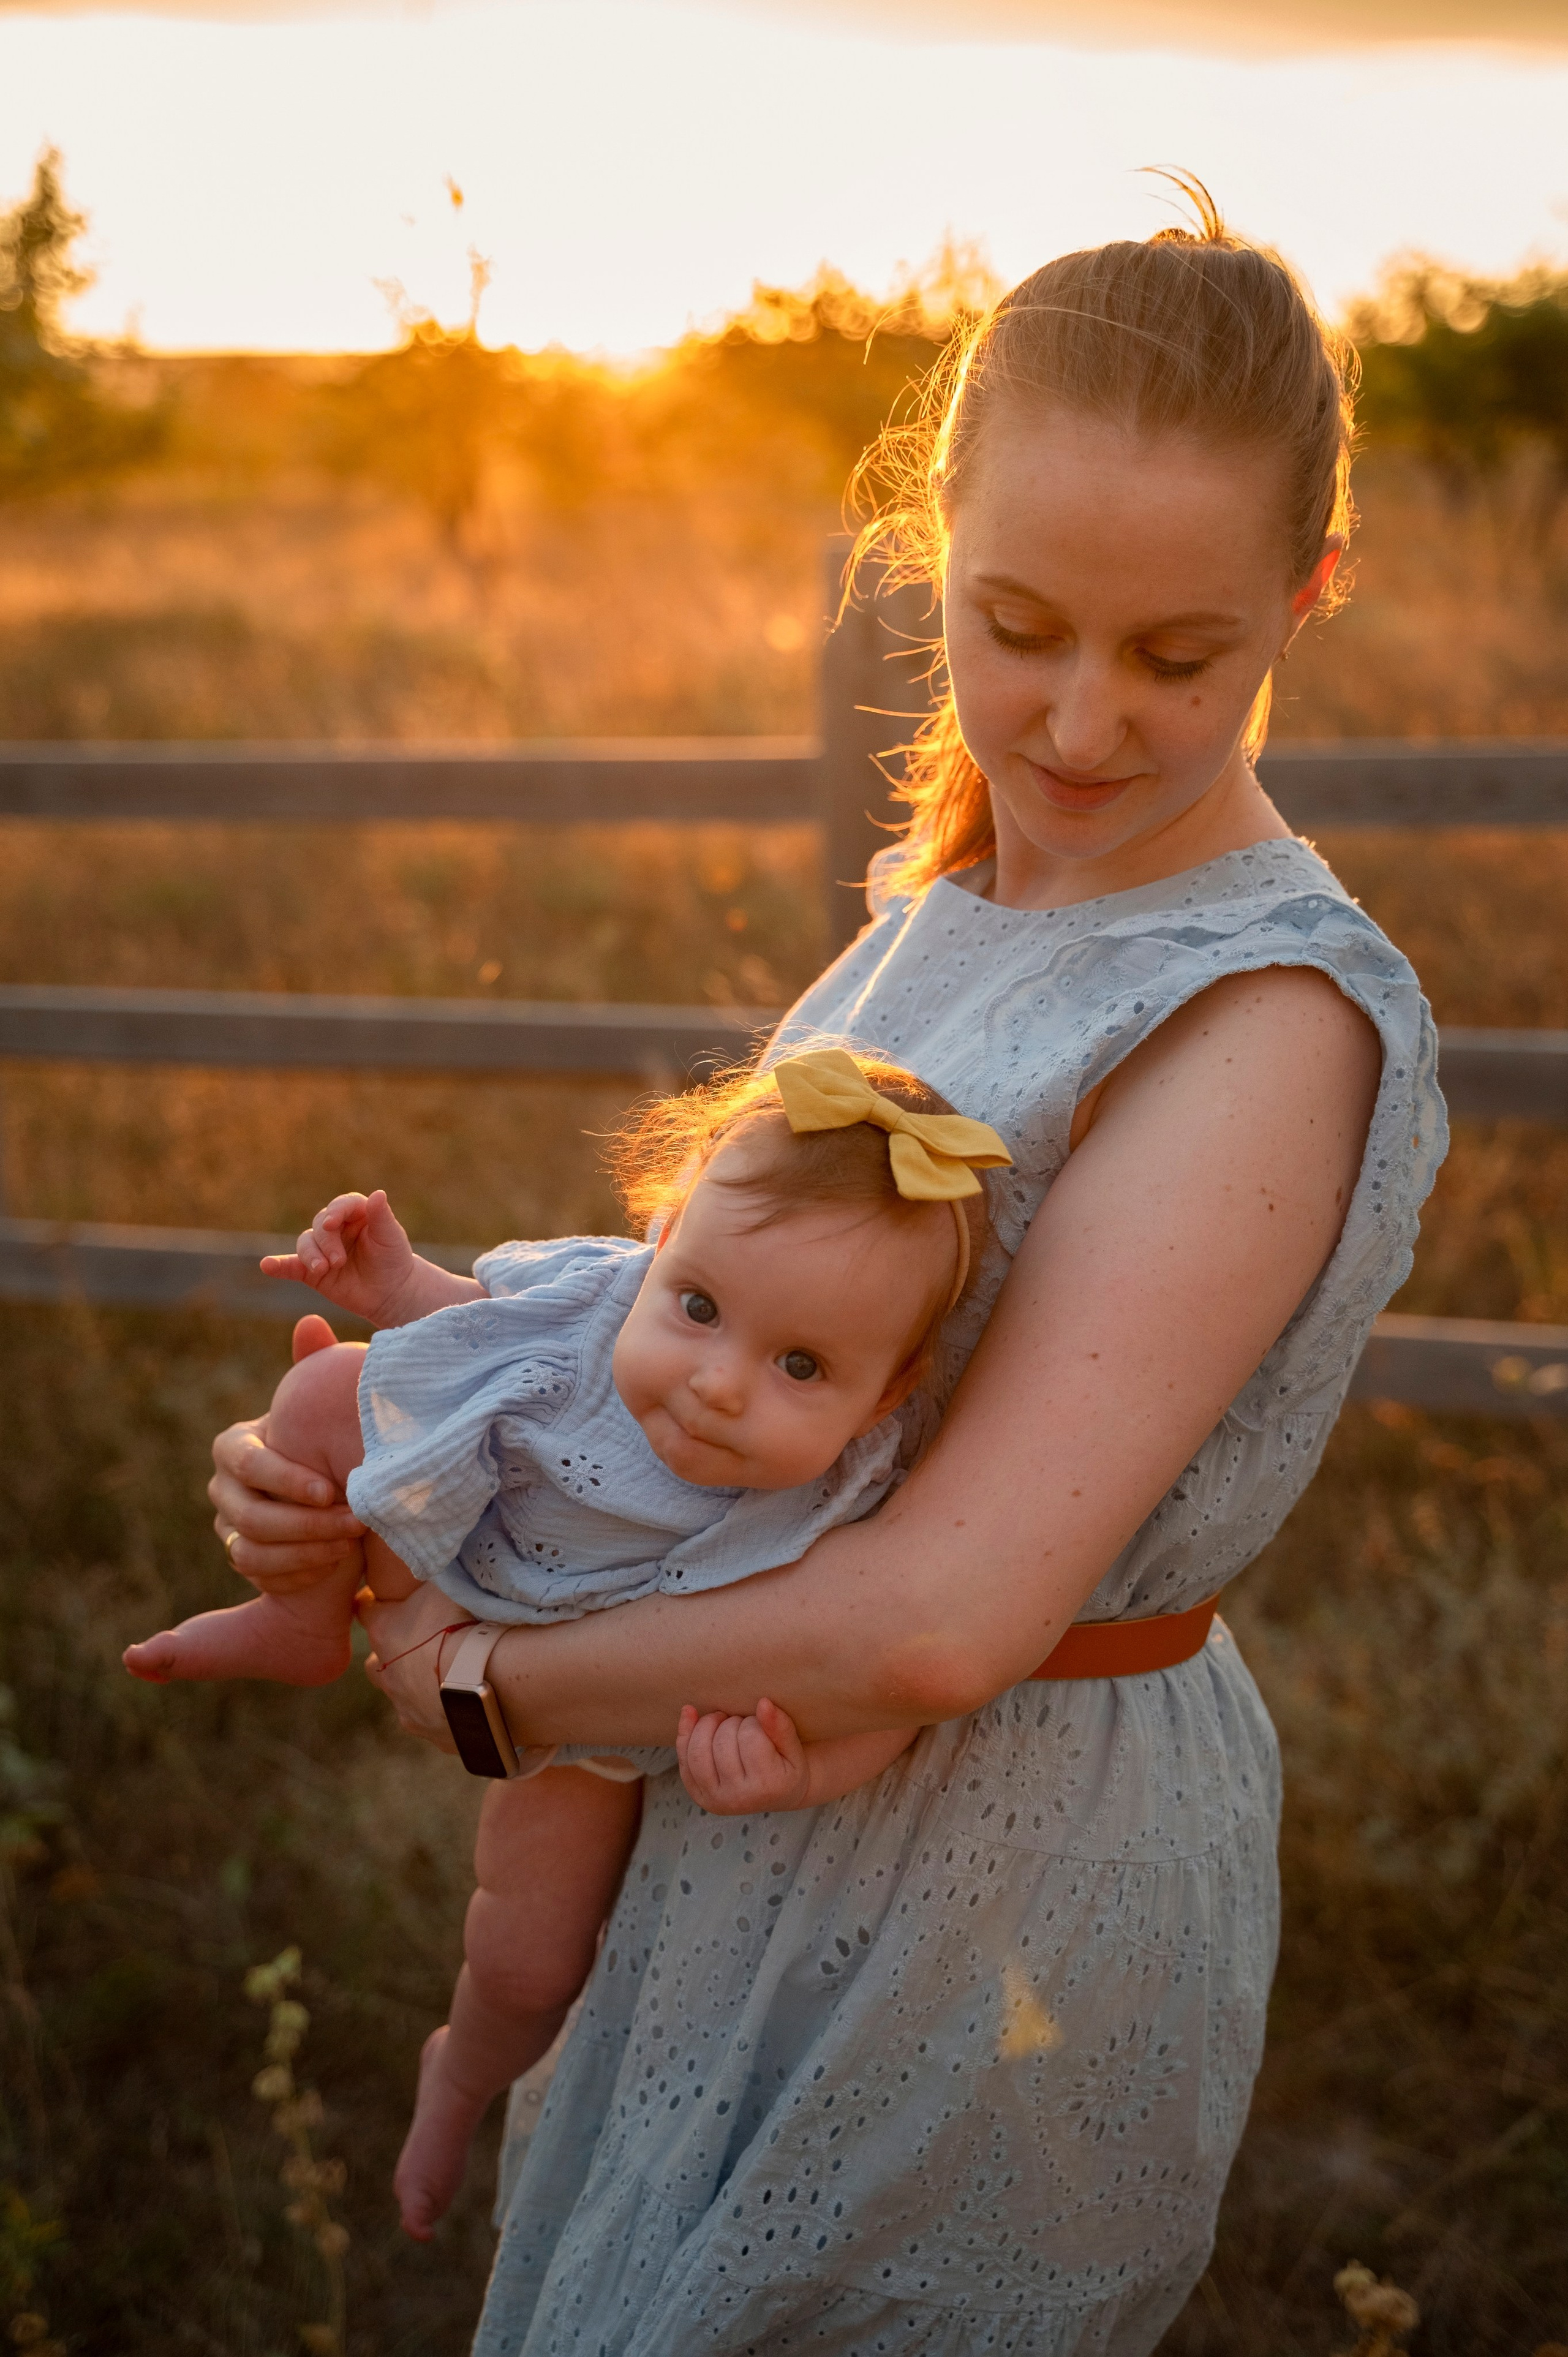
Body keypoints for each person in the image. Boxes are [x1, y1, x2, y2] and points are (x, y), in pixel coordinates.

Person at [208, 181, 1446, 2354]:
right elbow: (713, 1313)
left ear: (1309, 593)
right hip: (746, 1797)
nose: (1072, 722)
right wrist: (392, 1443)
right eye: (1015, 623)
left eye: (1180, 656)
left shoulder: (1269, 1015)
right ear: (932, 550)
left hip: (1002, 1883)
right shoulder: (945, 898)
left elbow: (956, 1609)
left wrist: (492, 1677)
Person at [131, 1048, 1011, 2238]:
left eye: (799, 1365)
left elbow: (887, 1687)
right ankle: (301, 1625)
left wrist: (804, 1768)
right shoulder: (603, 1300)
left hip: (611, 1713)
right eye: (695, 1307)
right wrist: (395, 1281)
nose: (715, 1384)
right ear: (665, 1241)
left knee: (534, 1960)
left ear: (887, 1387)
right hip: (478, 1562)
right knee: (330, 1389)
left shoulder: (863, 1487)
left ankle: (462, 2073)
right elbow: (483, 1326)